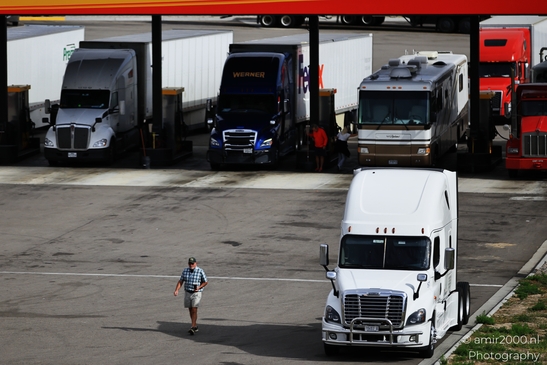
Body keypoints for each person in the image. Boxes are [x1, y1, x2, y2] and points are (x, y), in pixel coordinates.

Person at [174, 257, 208, 335]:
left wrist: (199, 287)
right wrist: (177, 290)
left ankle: (193, 326)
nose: (191, 265)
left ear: (196, 263)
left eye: (192, 263)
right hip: (187, 292)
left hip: (197, 292)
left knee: (194, 308)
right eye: (190, 263)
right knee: (190, 309)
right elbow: (181, 281)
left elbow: (205, 282)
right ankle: (194, 325)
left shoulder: (200, 271)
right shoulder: (185, 271)